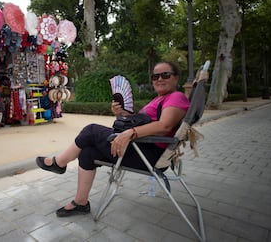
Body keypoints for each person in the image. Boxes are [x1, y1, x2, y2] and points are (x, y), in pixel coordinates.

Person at [36, 61, 190, 217]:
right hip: (139, 149)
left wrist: (131, 132)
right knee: (87, 152)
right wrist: (122, 114)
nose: (159, 79)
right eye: (155, 76)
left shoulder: (176, 97)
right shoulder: (159, 99)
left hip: (149, 155)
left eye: (165, 75)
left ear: (176, 78)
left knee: (91, 130)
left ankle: (59, 163)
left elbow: (164, 126)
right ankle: (81, 203)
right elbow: (141, 123)